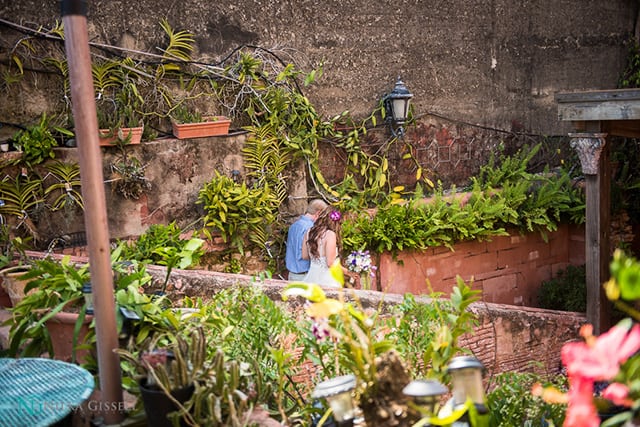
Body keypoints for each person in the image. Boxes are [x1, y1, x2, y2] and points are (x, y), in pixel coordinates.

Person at [301, 206, 348, 288]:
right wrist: (347, 271)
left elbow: (304, 256)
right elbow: (330, 263)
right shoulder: (330, 234)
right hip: (327, 279)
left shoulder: (309, 232)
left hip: (311, 276)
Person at [285, 199, 328, 281]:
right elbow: (308, 254)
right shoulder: (311, 229)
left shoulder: (293, 226)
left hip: (291, 274)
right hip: (305, 275)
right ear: (318, 213)